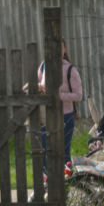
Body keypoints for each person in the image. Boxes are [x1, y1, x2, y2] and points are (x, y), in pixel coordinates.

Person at [38, 38, 82, 168]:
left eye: (59, 47)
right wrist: (38, 87)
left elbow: (79, 95)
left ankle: (65, 184)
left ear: (64, 49)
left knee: (64, 154)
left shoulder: (70, 70)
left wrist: (57, 96)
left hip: (66, 117)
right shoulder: (43, 66)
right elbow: (38, 84)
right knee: (43, 151)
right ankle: (46, 182)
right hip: (46, 116)